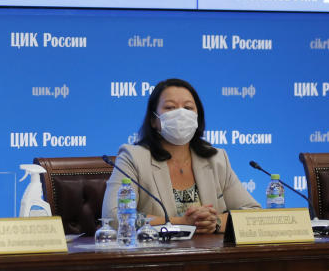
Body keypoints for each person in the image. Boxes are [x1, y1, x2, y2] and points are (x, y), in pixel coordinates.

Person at [102, 78, 259, 234]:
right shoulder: (133, 158)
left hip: (210, 254)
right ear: (153, 120)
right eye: (170, 107)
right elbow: (114, 217)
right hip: (157, 255)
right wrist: (181, 223)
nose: (181, 114)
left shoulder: (217, 159)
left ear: (198, 117)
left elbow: (253, 213)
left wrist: (215, 222)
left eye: (188, 108)